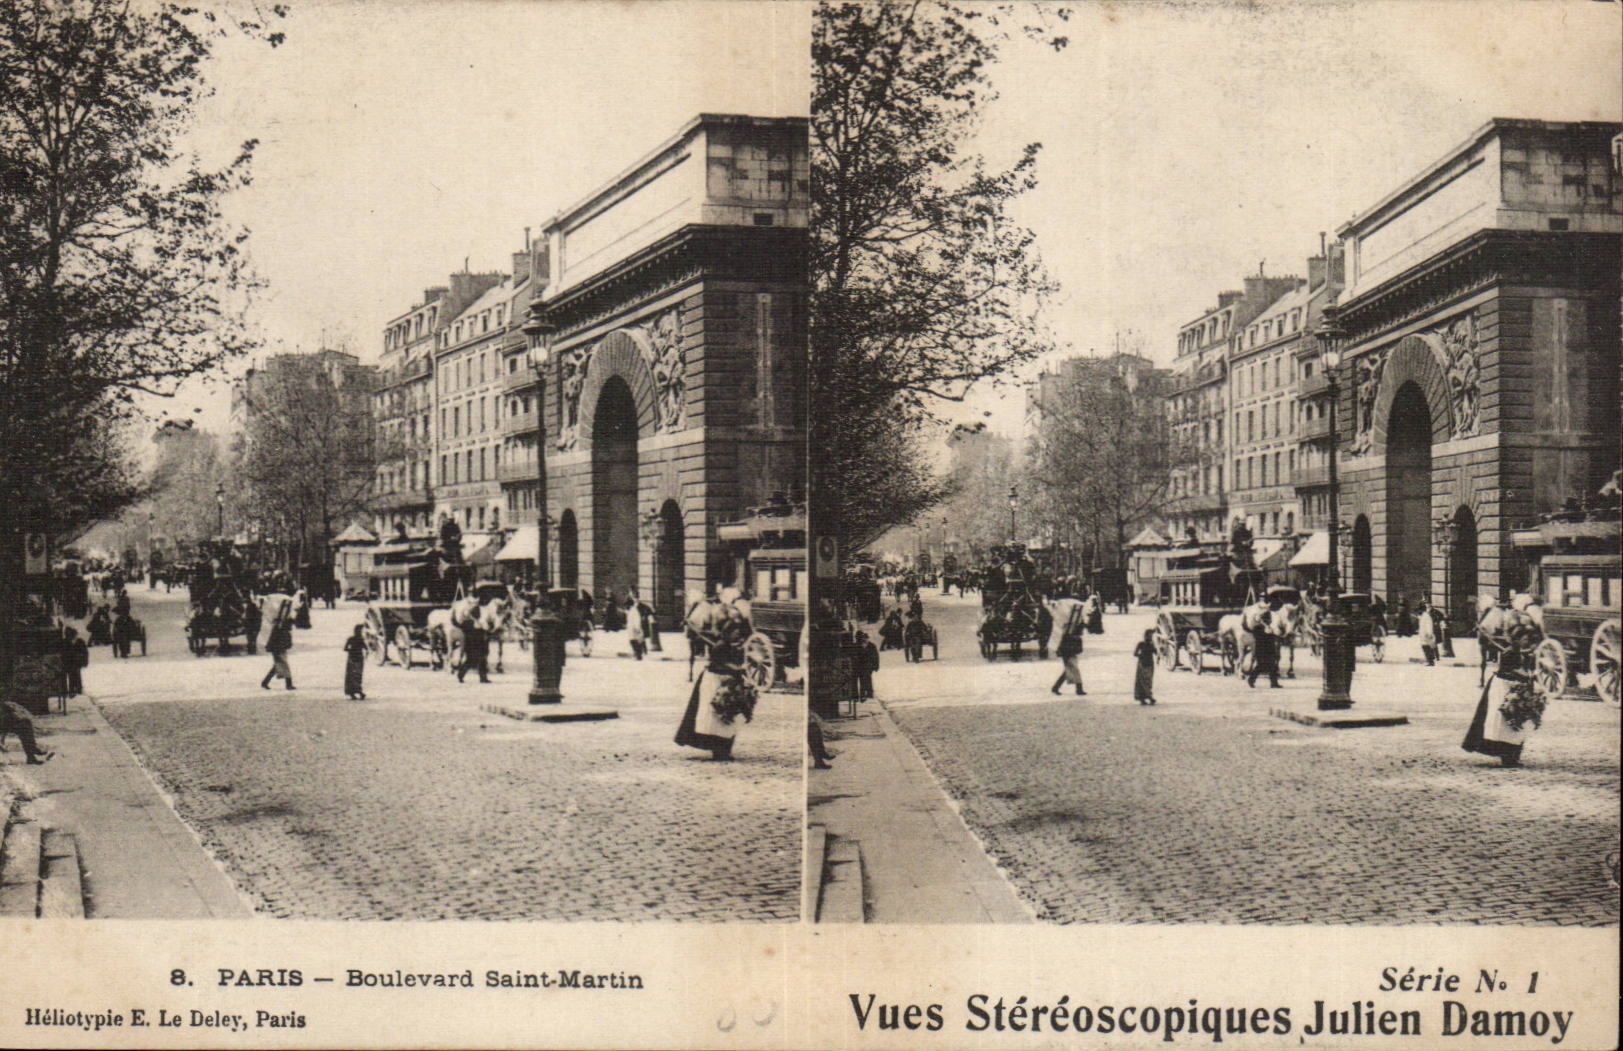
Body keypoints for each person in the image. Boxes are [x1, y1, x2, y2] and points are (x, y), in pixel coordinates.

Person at [676, 589, 756, 761]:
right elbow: (718, 663)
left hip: (726, 682)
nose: (738, 633)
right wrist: (737, 669)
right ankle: (720, 750)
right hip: (717, 682)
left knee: (726, 718)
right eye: (734, 630)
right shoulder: (721, 645)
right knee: (718, 718)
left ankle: (723, 750)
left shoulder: (730, 643)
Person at [1463, 611, 1542, 767]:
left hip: (1516, 689)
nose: (1526, 641)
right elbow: (1506, 671)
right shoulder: (1509, 653)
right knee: (1506, 722)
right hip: (1503, 690)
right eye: (1524, 638)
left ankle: (1512, 756)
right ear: (1517, 639)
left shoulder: (1521, 652)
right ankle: (1507, 757)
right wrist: (1525, 676)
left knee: (1518, 723)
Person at [1245, 596, 1282, 688]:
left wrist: (1272, 632)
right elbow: (1259, 637)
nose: (1269, 620)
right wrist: (1267, 631)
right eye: (1267, 619)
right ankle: (1251, 679)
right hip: (1262, 649)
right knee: (1261, 666)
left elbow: (1273, 634)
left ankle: (1274, 683)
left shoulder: (1268, 626)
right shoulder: (1258, 627)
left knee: (1272, 665)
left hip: (1269, 648)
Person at [1051, 603, 1086, 696]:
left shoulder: (1070, 623)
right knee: (1073, 667)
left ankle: (1056, 687)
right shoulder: (1070, 623)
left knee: (1070, 668)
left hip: (1067, 646)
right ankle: (1079, 689)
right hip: (1067, 646)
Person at [262, 613, 295, 690]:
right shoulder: (281, 630)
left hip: (279, 649)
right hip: (278, 650)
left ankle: (265, 682)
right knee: (284, 666)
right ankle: (288, 685)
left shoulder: (280, 630)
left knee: (277, 667)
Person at [1133, 628, 1157, 705]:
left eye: (1150, 636)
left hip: (1149, 664)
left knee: (1147, 681)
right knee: (1144, 681)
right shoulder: (1141, 644)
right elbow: (1135, 653)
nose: (1149, 638)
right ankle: (1148, 697)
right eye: (1148, 636)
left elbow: (1156, 652)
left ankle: (1146, 697)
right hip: (1143, 664)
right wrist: (1141, 656)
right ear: (1145, 636)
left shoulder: (1150, 644)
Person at [342, 624, 367, 700]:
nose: (360, 632)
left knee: (354, 675)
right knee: (356, 675)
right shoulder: (359, 639)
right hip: (356, 658)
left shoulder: (353, 639)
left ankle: (355, 692)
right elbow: (366, 648)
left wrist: (351, 650)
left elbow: (345, 649)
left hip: (354, 658)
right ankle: (358, 692)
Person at [64, 627, 87, 697]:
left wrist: (83, 660)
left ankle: (76, 689)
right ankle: (75, 690)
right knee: (74, 675)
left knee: (75, 675)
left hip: (75, 662)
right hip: (70, 662)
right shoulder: (66, 642)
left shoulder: (79, 642)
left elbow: (84, 652)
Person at [1417, 599, 1438, 666]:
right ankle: (1431, 660)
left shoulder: (1426, 616)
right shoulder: (1424, 616)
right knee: (1427, 647)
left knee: (1427, 648)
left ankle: (1430, 661)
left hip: (1426, 635)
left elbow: (1428, 625)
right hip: (1424, 635)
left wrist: (1429, 633)